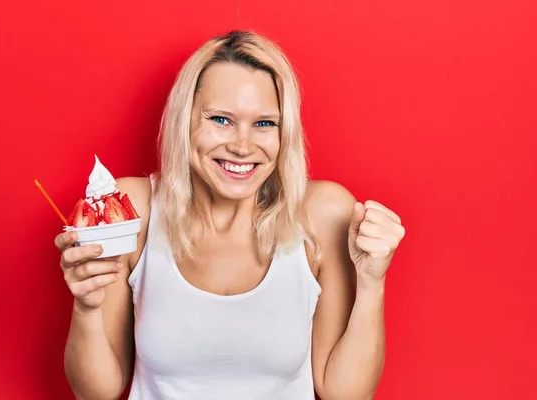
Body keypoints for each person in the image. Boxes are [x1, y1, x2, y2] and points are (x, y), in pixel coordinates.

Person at [54, 30, 406, 400]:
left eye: (264, 123)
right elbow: (95, 393)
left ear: (284, 133)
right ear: (185, 122)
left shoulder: (323, 215)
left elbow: (345, 394)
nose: (242, 146)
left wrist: (372, 283)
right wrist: (87, 307)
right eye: (221, 119)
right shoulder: (131, 211)